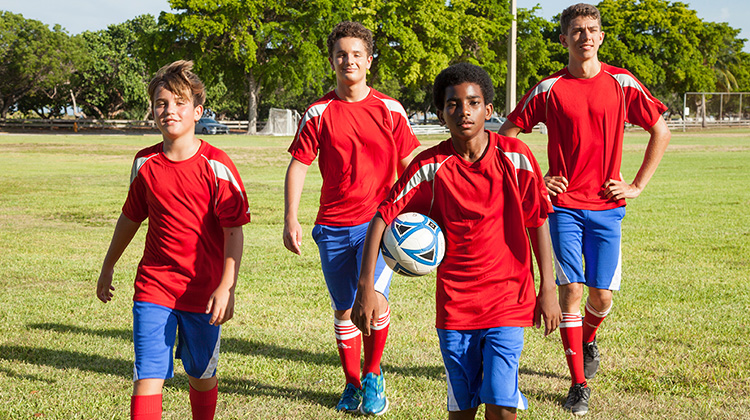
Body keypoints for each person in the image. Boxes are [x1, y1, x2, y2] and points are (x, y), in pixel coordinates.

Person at [352, 62, 562, 420]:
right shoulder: (430, 165)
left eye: (473, 102)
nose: (464, 111)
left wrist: (549, 288)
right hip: (456, 307)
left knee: (501, 408)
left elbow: (537, 220)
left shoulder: (515, 156)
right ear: (440, 112)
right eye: (453, 104)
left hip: (509, 299)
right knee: (462, 410)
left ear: (488, 110)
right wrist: (366, 286)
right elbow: (381, 217)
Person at [498, 3, 672, 416]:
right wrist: (538, 180)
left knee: (602, 297)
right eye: (577, 31)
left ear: (601, 37)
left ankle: (589, 338)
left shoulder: (623, 83)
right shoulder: (549, 88)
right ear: (564, 39)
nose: (586, 37)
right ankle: (579, 383)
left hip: (608, 206)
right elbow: (507, 134)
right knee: (570, 291)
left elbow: (660, 130)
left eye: (592, 30)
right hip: (562, 207)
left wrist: (636, 186)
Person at [96, 60, 250, 420]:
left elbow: (233, 231)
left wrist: (226, 286)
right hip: (155, 287)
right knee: (147, 376)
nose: (170, 110)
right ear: (153, 111)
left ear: (197, 111)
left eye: (179, 103)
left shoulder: (218, 166)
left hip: (204, 292)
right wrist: (108, 265)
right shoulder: (144, 163)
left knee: (200, 375)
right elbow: (131, 217)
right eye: (162, 103)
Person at [282, 21, 420, 415]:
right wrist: (291, 217)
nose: (349, 61)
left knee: (373, 301)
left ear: (369, 61)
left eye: (357, 54)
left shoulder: (390, 109)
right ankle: (352, 383)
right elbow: (299, 166)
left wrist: (422, 211)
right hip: (332, 226)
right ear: (332, 61)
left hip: (380, 224)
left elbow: (410, 164)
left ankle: (374, 375)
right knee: (344, 309)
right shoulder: (319, 112)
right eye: (342, 54)